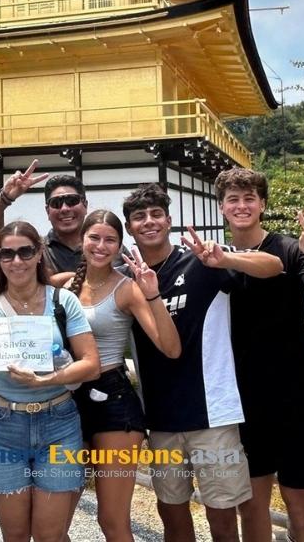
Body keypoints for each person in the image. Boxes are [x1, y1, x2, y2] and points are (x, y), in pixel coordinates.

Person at [121, 183, 283, 542]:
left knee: (223, 515)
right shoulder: (125, 277)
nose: (149, 222)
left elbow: (273, 266)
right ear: (130, 227)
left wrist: (225, 258)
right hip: (160, 417)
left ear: (169, 219)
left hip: (214, 413)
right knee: (172, 514)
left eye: (156, 214)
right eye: (139, 217)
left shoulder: (201, 259)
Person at [214, 167, 304, 542]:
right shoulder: (213, 257)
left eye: (249, 198)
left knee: (302, 503)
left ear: (262, 204)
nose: (242, 206)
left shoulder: (291, 249)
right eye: (233, 200)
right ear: (222, 207)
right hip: (241, 398)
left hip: (293, 393)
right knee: (252, 505)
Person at [0, 221, 101, 542]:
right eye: (6, 254)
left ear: (39, 254)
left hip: (59, 422)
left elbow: (91, 364)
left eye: (25, 251)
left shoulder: (63, 302)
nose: (17, 261)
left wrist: (48, 379)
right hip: (2, 425)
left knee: (51, 534)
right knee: (16, 535)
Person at [64, 210, 181, 542]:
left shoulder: (127, 289)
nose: (101, 246)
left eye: (110, 240)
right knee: (53, 522)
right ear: (82, 240)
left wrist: (153, 293)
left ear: (119, 246)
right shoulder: (65, 284)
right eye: (94, 237)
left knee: (112, 521)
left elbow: (170, 348)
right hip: (67, 401)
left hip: (114, 406)